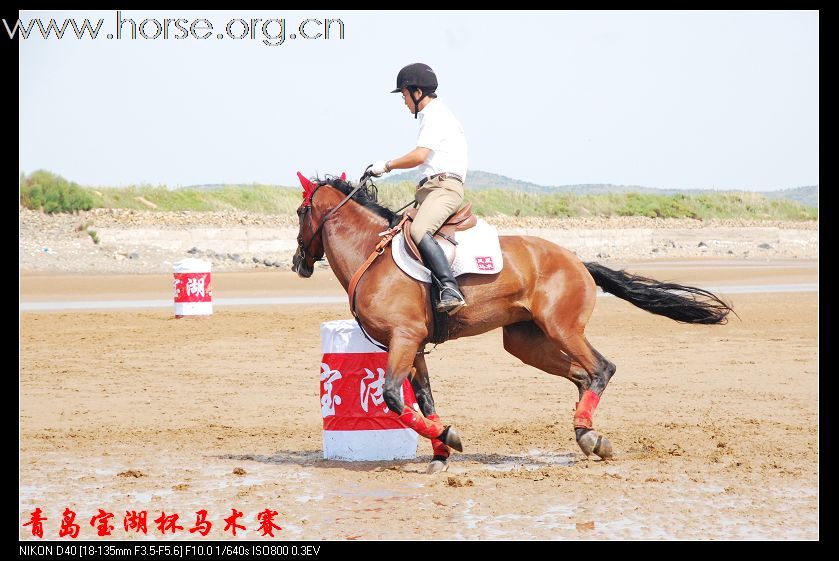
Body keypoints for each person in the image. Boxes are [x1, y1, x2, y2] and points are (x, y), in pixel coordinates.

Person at [369, 63, 468, 315]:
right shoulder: (430, 116)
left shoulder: (436, 115)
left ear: (416, 92)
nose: (403, 101)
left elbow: (420, 156)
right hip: (429, 190)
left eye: (403, 95)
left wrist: (387, 165)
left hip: (444, 188)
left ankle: (449, 287)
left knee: (419, 229)